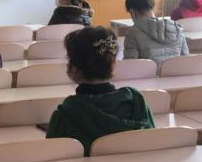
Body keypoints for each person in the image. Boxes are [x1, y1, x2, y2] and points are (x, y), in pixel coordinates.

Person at [46, 26, 155, 154]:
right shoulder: (137, 104)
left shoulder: (65, 115)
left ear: (73, 68)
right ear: (112, 63)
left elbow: (52, 156)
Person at [122, 0, 189, 66]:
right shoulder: (177, 28)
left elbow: (130, 66)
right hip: (175, 73)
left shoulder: (132, 34)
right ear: (152, 8)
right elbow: (186, 59)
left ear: (132, 12)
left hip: (148, 74)